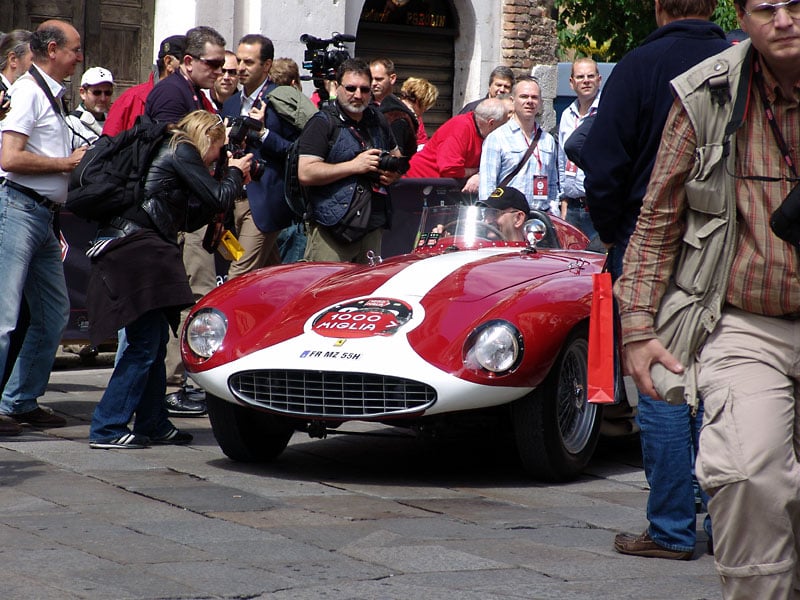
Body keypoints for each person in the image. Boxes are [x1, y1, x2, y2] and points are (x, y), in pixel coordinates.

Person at [617, 0, 800, 594]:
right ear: (741, 19)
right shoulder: (707, 95)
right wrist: (638, 327)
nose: (783, 19)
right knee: (747, 473)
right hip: (746, 321)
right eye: (765, 7)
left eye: (795, 3)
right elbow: (658, 216)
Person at [579, 0, 729, 562]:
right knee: (723, 377)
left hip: (649, 240)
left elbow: (604, 163)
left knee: (659, 380)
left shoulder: (639, 66)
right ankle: (724, 516)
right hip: (722, 242)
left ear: (660, 7)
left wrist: (618, 232)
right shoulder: (737, 62)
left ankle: (670, 526)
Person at [87, 110, 251, 449]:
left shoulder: (176, 151)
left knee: (155, 338)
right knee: (144, 343)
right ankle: (107, 426)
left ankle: (153, 422)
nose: (219, 157)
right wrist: (234, 172)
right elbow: (220, 196)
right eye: (219, 150)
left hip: (142, 247)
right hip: (136, 249)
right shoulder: (181, 148)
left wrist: (223, 175)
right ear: (210, 139)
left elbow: (189, 218)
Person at [0, 19, 87, 436]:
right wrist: (64, 164)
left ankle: (19, 401)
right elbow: (10, 159)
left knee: (53, 314)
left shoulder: (49, 94)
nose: (79, 57)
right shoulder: (28, 92)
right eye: (74, 49)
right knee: (4, 318)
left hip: (40, 215)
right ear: (52, 50)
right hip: (17, 209)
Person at [146, 26, 227, 418]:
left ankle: (170, 387)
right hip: (172, 217)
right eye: (213, 63)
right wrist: (229, 176)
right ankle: (173, 385)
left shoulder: (192, 93)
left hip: (187, 213)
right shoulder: (171, 94)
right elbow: (177, 155)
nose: (220, 69)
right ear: (189, 61)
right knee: (189, 298)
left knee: (188, 298)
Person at [297, 57, 402, 264]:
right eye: (351, 88)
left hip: (372, 224)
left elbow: (397, 157)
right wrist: (354, 166)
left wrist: (392, 173)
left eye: (364, 89)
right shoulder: (322, 122)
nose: (358, 95)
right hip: (333, 228)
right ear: (337, 87)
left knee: (366, 292)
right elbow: (305, 172)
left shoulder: (377, 119)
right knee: (326, 291)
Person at [220, 33, 295, 277]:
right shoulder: (230, 103)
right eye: (239, 61)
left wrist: (262, 133)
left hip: (262, 202)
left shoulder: (280, 100)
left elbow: (296, 151)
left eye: (248, 62)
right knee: (269, 277)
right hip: (233, 199)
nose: (240, 68)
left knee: (238, 275)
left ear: (267, 65)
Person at [479, 76, 558, 212]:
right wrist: (491, 218)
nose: (529, 101)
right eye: (524, 96)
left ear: (540, 103)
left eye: (534, 97)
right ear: (512, 100)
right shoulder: (497, 138)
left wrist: (553, 211)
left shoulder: (548, 140)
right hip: (508, 217)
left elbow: (552, 184)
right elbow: (487, 187)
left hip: (539, 220)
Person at [405, 98, 508, 193]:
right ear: (491, 123)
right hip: (418, 182)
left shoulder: (483, 133)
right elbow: (449, 168)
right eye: (503, 124)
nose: (504, 129)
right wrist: (475, 171)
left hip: (438, 186)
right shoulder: (461, 127)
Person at [102, 35, 185, 137]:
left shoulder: (199, 99)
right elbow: (109, 144)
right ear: (168, 62)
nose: (191, 68)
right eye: (186, 62)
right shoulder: (130, 99)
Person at [558, 58, 600, 240]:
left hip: (597, 206)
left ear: (599, 79)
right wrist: (563, 199)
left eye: (590, 76)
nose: (586, 80)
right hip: (572, 207)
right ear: (571, 82)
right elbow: (562, 159)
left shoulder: (605, 111)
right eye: (580, 77)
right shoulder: (567, 115)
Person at [145, 26, 223, 123]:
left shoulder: (192, 89)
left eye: (221, 64)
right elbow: (171, 137)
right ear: (189, 62)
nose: (219, 71)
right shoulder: (169, 92)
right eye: (213, 64)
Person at [370, 57, 418, 159]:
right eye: (371, 79)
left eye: (379, 79)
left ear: (392, 78)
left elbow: (396, 159)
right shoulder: (367, 104)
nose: (373, 83)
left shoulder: (397, 115)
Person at [66, 66, 113, 147]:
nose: (103, 98)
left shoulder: (113, 120)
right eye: (97, 92)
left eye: (107, 93)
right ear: (82, 93)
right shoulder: (71, 124)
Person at [398, 76, 439, 150]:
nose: (425, 110)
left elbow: (421, 141)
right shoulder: (399, 115)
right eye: (426, 106)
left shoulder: (416, 118)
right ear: (419, 101)